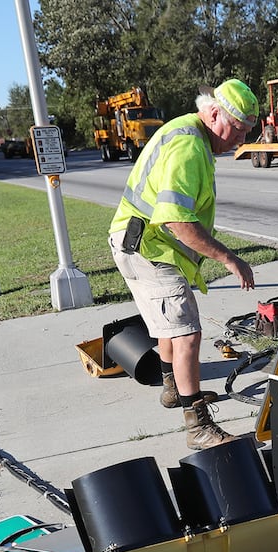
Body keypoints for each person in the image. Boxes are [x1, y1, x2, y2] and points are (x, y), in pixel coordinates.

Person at [108, 78, 258, 450]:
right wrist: (229, 258)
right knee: (187, 331)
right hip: (148, 249)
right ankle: (198, 426)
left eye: (245, 132)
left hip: (137, 243)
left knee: (169, 326)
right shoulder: (190, 146)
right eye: (236, 128)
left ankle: (173, 390)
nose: (239, 139)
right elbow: (177, 220)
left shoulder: (189, 133)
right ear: (212, 113)